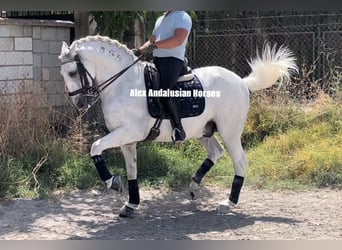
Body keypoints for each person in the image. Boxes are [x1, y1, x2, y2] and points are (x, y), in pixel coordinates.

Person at [134, 11, 192, 143]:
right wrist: (139, 50)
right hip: (157, 59)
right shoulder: (160, 19)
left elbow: (178, 40)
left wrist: (156, 45)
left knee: (164, 92)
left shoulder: (182, 16)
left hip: (173, 60)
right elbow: (152, 40)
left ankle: (178, 129)